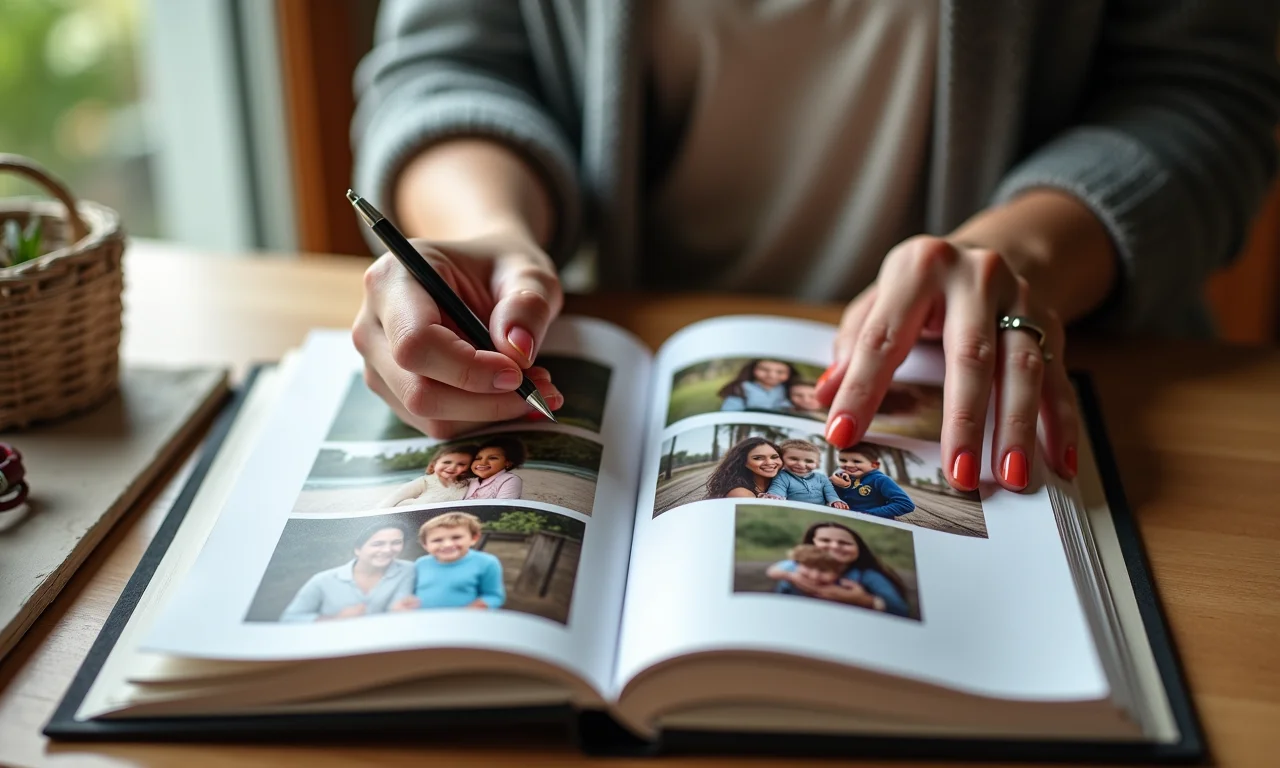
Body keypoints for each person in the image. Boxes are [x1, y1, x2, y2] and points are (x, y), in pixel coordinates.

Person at [350, 2, 1280, 496]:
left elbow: (1206, 95)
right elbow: (448, 62)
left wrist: (1021, 253)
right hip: (626, 334)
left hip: (1066, 353)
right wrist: (487, 230)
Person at [767, 521, 911, 617]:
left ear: (859, 548)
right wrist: (792, 576)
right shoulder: (798, 564)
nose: (835, 546)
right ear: (811, 544)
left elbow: (900, 610)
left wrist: (863, 600)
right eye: (825, 541)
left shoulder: (867, 575)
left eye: (844, 543)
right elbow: (774, 573)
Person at [280, 523, 415, 622]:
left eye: (396, 542)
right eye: (378, 544)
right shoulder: (322, 580)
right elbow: (289, 618)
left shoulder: (409, 570)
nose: (387, 550)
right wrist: (335, 619)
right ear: (358, 549)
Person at [398, 511, 505, 610]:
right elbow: (412, 592)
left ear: (474, 538)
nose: (447, 545)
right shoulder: (420, 564)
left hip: (463, 621)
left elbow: (494, 596)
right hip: (425, 621)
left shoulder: (486, 563)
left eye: (456, 537)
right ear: (425, 545)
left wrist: (482, 604)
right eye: (437, 540)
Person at [830, 443, 916, 519]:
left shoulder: (881, 480)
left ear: (874, 465)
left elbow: (905, 504)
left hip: (871, 521)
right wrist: (835, 484)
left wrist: (867, 514)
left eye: (857, 461)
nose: (848, 465)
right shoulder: (841, 477)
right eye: (843, 460)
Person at [378, 446, 475, 507]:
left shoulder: (467, 483)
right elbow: (391, 499)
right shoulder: (425, 481)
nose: (452, 467)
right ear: (434, 464)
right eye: (446, 462)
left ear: (469, 466)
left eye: (461, 464)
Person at [765, 439, 849, 509]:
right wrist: (774, 496)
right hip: (795, 510)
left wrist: (835, 501)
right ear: (781, 459)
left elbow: (830, 494)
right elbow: (777, 489)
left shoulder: (822, 478)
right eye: (793, 459)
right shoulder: (782, 476)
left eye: (809, 461)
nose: (801, 465)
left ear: (817, 464)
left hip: (820, 510)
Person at [704, 436, 785, 500]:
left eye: (774, 457)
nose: (770, 463)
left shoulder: (783, 481)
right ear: (743, 462)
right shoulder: (740, 493)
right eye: (758, 458)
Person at [769, 544, 852, 596]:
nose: (814, 575)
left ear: (838, 573)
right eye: (809, 568)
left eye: (824, 571)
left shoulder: (840, 584)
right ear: (798, 563)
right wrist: (790, 576)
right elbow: (771, 572)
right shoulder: (792, 568)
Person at [717, 359, 797, 412]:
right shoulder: (740, 388)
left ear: (789, 374)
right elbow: (729, 411)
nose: (772, 375)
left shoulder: (789, 389)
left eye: (780, 372)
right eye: (764, 370)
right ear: (753, 370)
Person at [462, 436, 525, 500]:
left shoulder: (510, 480)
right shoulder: (470, 482)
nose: (482, 463)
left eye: (492, 458)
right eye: (478, 458)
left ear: (508, 462)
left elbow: (503, 507)